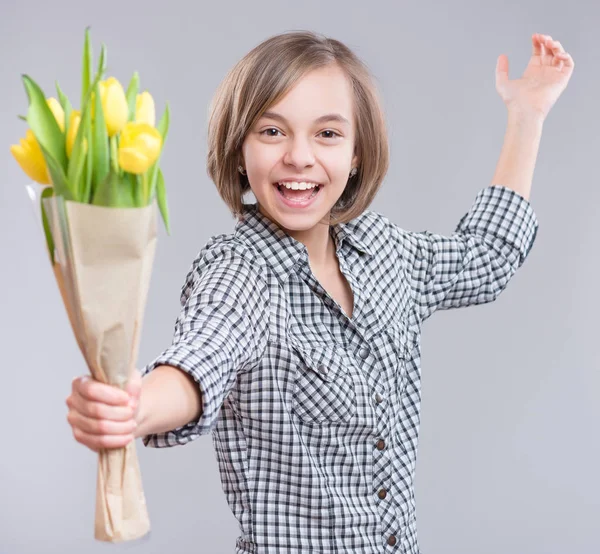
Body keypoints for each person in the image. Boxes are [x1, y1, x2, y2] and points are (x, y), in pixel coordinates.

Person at [65, 30, 574, 553]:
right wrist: (135, 405)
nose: (299, 157)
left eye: (327, 134)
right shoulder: (239, 272)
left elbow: (486, 257)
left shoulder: (386, 251)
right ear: (240, 150)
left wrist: (527, 113)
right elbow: (201, 358)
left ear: (356, 154)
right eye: (271, 131)